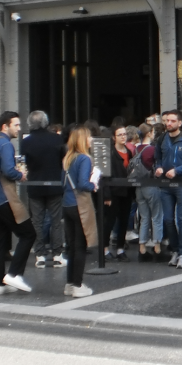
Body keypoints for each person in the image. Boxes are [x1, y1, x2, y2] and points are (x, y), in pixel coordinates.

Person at [0, 111, 37, 294]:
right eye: (16, 125)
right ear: (5, 126)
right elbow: (8, 170)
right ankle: (14, 274)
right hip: (4, 197)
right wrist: (20, 174)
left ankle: (0, 284)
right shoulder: (5, 144)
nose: (19, 129)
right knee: (28, 234)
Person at [20, 110, 65, 269]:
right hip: (54, 184)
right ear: (46, 122)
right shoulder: (56, 139)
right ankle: (58, 254)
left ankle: (39, 254)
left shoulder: (26, 142)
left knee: (37, 221)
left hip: (34, 185)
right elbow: (63, 161)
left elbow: (23, 164)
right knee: (56, 221)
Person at [157, 109, 182, 269]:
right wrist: (158, 167)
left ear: (179, 123)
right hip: (166, 184)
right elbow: (157, 158)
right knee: (167, 219)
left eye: (172, 121)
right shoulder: (162, 139)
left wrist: (177, 170)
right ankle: (175, 250)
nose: (169, 123)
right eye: (167, 121)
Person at [62, 126, 98, 298]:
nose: (91, 140)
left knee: (71, 246)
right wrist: (94, 185)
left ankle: (70, 283)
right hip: (80, 205)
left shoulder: (69, 158)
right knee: (80, 246)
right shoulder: (85, 158)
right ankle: (77, 284)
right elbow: (84, 183)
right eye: (89, 137)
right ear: (83, 140)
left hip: (67, 204)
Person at [131, 124, 164, 260]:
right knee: (156, 216)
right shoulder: (152, 149)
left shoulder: (136, 149)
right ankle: (157, 248)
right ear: (150, 133)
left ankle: (142, 249)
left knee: (144, 217)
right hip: (151, 184)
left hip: (138, 186)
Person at [102, 124, 132, 262]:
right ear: (114, 137)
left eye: (124, 134)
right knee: (110, 220)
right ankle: (105, 248)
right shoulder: (110, 153)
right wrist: (106, 194)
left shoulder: (129, 151)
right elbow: (105, 176)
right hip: (113, 191)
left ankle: (120, 248)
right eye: (120, 135)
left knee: (124, 220)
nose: (123, 137)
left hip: (126, 191)